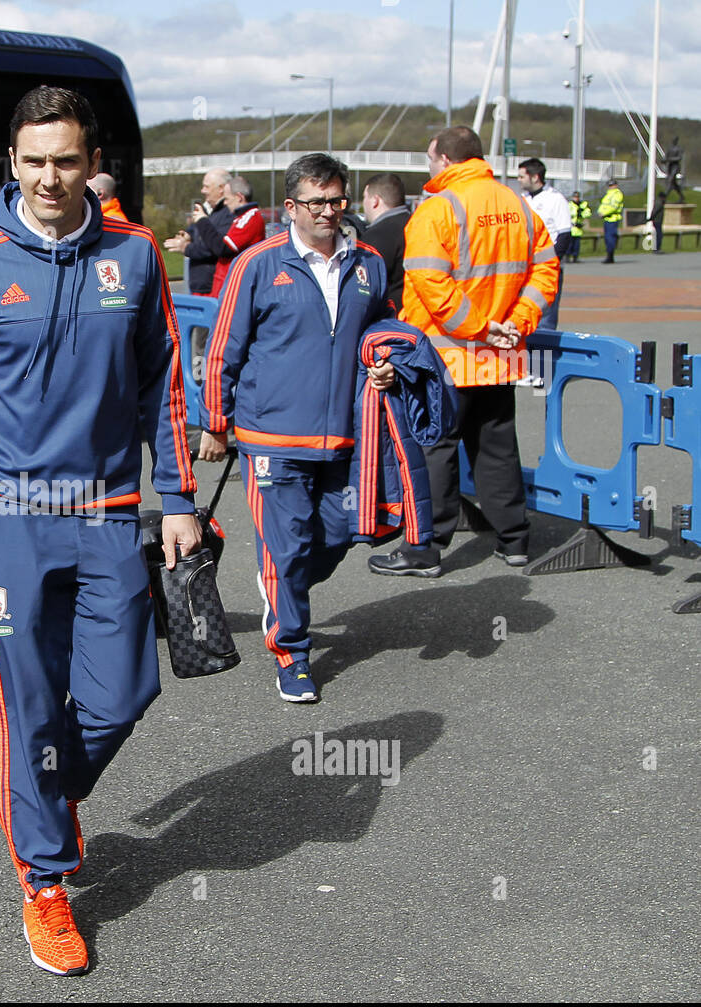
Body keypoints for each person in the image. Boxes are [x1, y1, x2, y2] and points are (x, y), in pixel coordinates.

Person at [0, 85, 200, 976]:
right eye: (33, 161)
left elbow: (163, 386)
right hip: (10, 517)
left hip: (107, 511)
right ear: (11, 163)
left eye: (65, 160)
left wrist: (175, 495)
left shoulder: (137, 256)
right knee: (29, 705)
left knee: (122, 692)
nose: (50, 177)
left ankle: (45, 792)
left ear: (90, 162)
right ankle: (46, 882)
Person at [199, 153, 391, 703]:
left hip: (346, 436)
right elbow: (222, 353)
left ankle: (283, 587)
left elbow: (386, 327)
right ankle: (292, 653)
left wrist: (388, 360)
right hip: (272, 440)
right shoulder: (257, 265)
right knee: (285, 550)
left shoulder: (369, 264)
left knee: (338, 534)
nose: (329, 211)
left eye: (337, 200)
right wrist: (215, 423)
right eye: (317, 202)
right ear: (290, 208)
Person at [369, 126, 558, 578]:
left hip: (446, 354)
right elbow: (546, 268)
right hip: (500, 354)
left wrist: (478, 327)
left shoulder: (437, 210)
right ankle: (514, 540)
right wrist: (515, 323)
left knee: (435, 448)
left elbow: (432, 286)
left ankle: (426, 548)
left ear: (447, 160)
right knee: (496, 447)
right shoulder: (517, 204)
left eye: (431, 159)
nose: (429, 168)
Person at [516, 158, 571, 344]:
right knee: (523, 314)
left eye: (522, 176)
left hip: (545, 267)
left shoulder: (555, 200)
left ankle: (545, 365)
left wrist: (550, 263)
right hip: (523, 267)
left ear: (535, 177)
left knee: (545, 317)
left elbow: (564, 235)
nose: (519, 180)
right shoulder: (522, 200)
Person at [162, 168, 231, 296]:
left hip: (214, 286)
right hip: (199, 285)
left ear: (221, 188)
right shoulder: (208, 209)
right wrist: (188, 235)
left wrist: (185, 247)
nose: (202, 191)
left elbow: (215, 246)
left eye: (206, 187)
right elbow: (198, 229)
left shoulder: (228, 213)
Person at [360, 172, 411, 313]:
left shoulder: (378, 235)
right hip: (416, 314)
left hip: (390, 320)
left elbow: (364, 287)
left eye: (365, 198)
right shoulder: (417, 225)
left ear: (375, 200)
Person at [598, 179, 624, 264]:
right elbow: (603, 205)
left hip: (612, 218)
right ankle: (609, 255)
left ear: (616, 185)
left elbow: (614, 206)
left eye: (612, 185)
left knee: (610, 238)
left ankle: (610, 256)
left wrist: (604, 213)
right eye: (609, 186)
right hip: (606, 219)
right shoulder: (608, 194)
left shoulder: (617, 194)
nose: (611, 187)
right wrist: (600, 212)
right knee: (607, 238)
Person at [568, 191, 591, 262]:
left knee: (577, 244)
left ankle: (575, 257)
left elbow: (588, 212)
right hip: (571, 227)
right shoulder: (569, 204)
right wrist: (576, 213)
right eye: (575, 197)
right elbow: (568, 214)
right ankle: (567, 256)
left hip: (578, 228)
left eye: (577, 197)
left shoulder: (583, 205)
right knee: (569, 244)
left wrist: (581, 214)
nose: (576, 199)